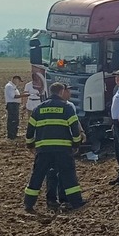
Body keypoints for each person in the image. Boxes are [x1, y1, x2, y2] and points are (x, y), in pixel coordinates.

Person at [23, 82, 88, 212]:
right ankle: (76, 202)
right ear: (61, 91)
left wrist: (30, 145)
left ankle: (28, 203)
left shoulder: (38, 109)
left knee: (37, 176)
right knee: (68, 176)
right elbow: (75, 129)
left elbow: (30, 131)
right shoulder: (67, 108)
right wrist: (76, 144)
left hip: (43, 150)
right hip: (63, 149)